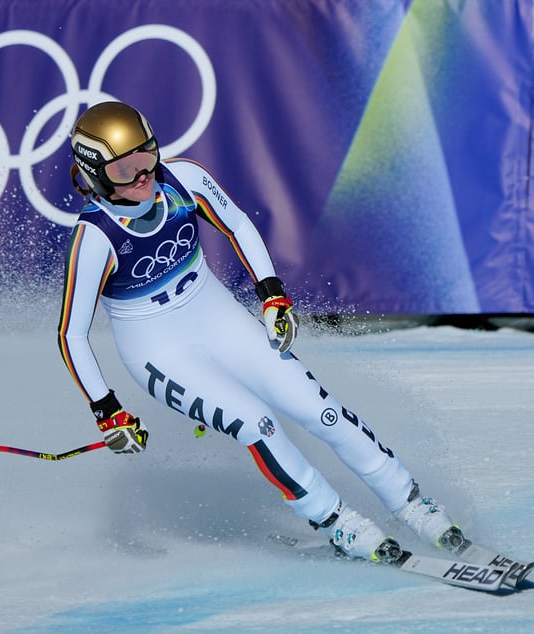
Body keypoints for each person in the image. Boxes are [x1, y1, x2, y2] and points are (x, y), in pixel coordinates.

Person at [57, 101, 464, 563]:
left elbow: (237, 224)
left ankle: (409, 501)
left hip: (216, 316)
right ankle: (336, 521)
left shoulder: (183, 179)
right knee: (257, 424)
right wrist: (107, 411)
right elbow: (71, 334)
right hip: (158, 350)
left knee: (314, 406)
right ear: (94, 175)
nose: (142, 175)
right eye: (124, 169)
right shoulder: (94, 238)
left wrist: (271, 294)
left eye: (147, 156)